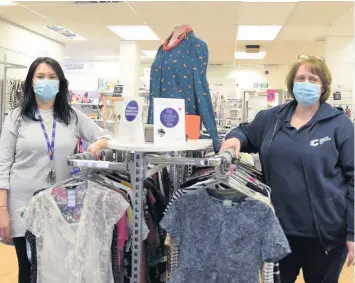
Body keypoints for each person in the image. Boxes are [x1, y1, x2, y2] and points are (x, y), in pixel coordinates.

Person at [221, 56, 354, 283]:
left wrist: (352, 232)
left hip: (325, 236)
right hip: (278, 231)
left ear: (323, 87)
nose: (306, 83)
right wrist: (235, 139)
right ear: (292, 84)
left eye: (313, 78)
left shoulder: (339, 124)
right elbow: (246, 131)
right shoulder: (273, 118)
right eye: (300, 78)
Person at [0, 57, 113, 283]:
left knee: (60, 268)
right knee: (28, 268)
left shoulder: (72, 117)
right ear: (31, 82)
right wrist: (2, 209)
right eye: (40, 77)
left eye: (52, 77)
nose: (46, 82)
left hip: (61, 205)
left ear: (61, 83)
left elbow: (108, 136)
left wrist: (97, 145)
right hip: (22, 205)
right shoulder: (16, 117)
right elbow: (3, 167)